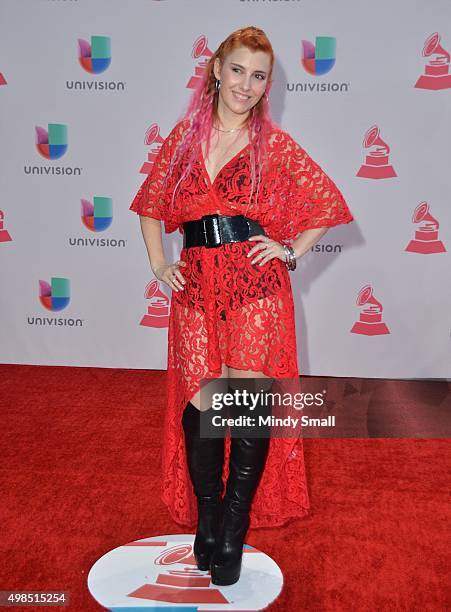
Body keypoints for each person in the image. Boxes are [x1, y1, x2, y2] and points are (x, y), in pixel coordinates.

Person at [130, 26, 353, 585]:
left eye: (259, 76)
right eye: (237, 71)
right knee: (202, 404)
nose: (246, 85)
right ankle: (207, 516)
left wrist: (289, 250)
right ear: (216, 70)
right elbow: (150, 206)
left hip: (255, 288)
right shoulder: (184, 139)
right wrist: (160, 265)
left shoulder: (272, 146)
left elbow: (327, 202)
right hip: (196, 286)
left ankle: (232, 527)